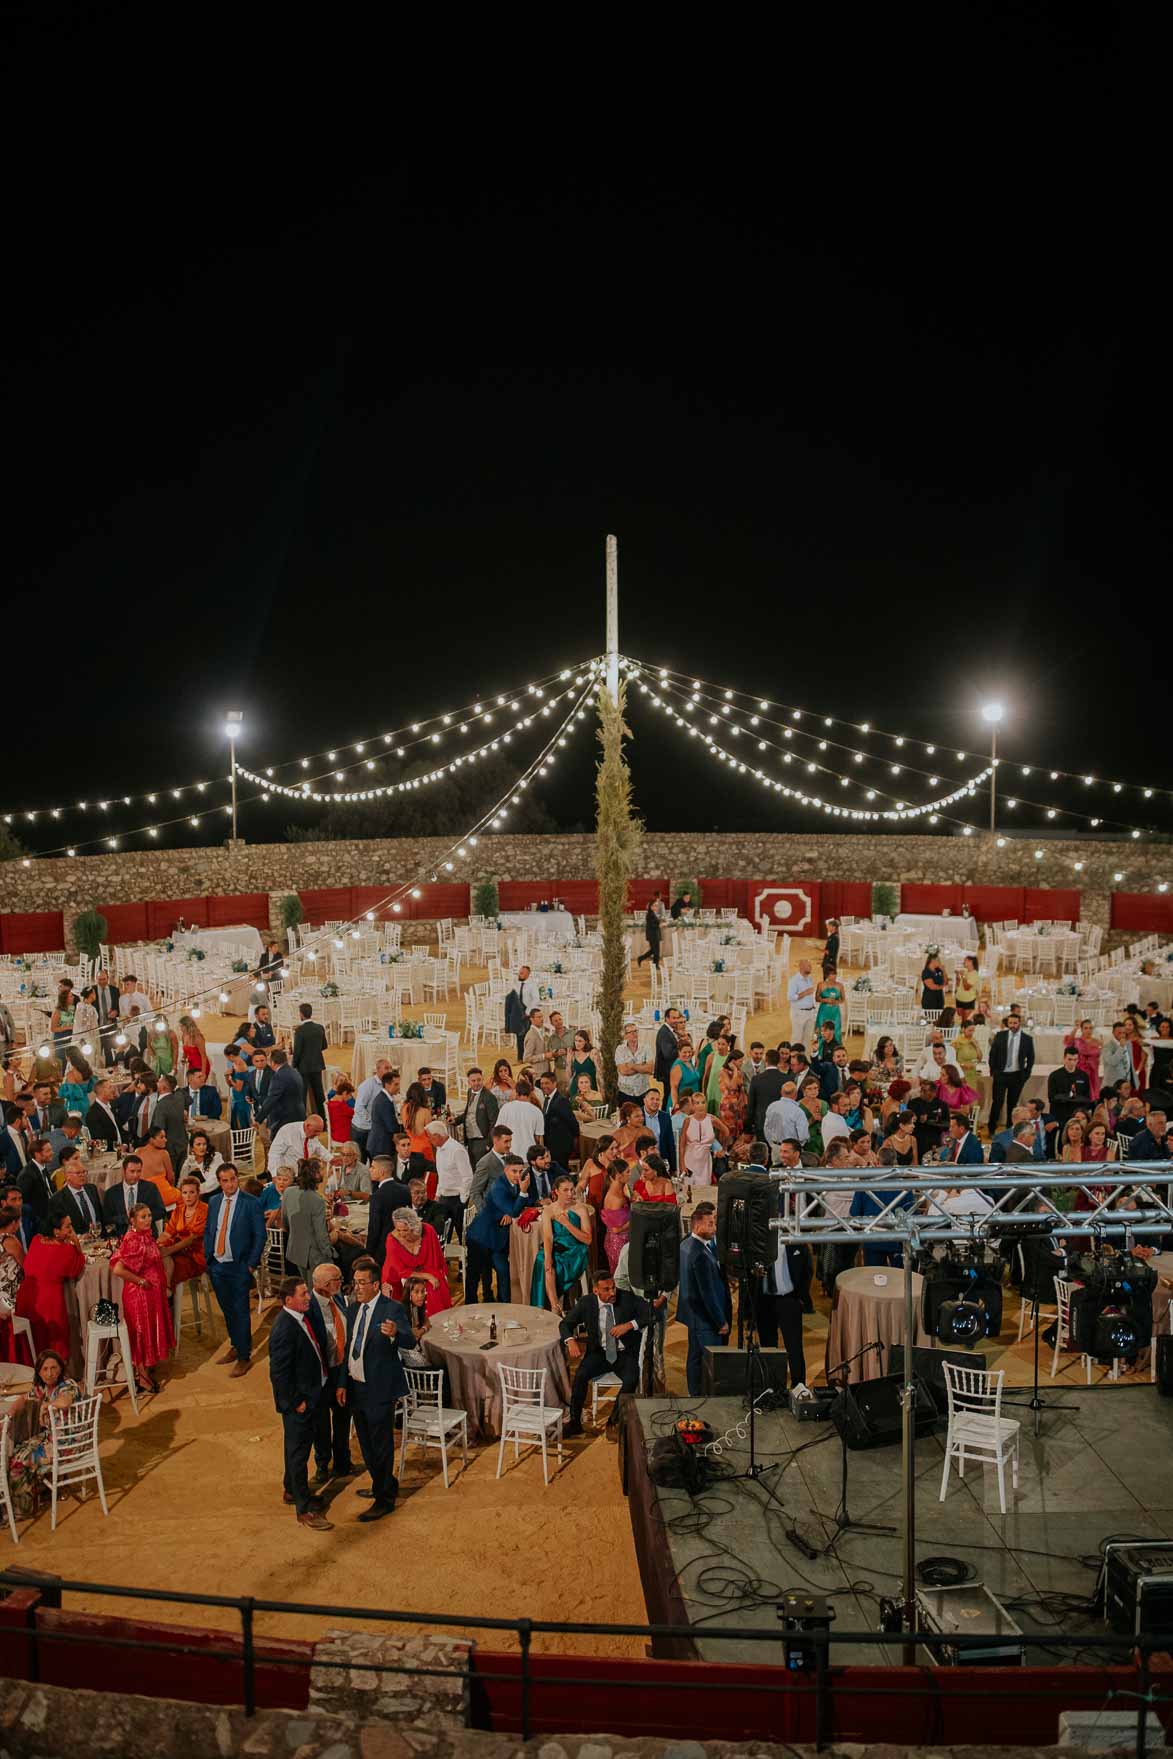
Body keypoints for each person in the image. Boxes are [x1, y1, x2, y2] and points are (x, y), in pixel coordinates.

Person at [338, 1256, 409, 1520]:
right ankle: (384, 1483)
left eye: (362, 1283)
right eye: (354, 1282)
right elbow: (348, 1350)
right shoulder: (354, 1309)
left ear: (376, 1285)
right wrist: (343, 1383)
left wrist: (394, 1334)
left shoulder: (392, 1309)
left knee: (381, 1445)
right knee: (366, 1444)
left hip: (380, 1389)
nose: (356, 1287)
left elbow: (410, 1340)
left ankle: (384, 1500)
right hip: (357, 1388)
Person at [268, 1275, 333, 1532]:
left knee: (295, 1450)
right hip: (300, 1403)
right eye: (303, 1294)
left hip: (311, 1397)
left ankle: (291, 1491)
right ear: (288, 1300)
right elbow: (279, 1374)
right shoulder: (284, 1328)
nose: (308, 1297)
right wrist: (297, 1403)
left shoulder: (299, 1317)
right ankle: (304, 1510)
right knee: (298, 1455)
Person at [744, 1143, 811, 1390]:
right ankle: (772, 1386)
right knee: (769, 1345)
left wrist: (801, 1297)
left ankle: (799, 1385)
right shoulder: (759, 1242)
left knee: (794, 1345)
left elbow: (806, 1270)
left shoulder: (795, 1242)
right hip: (764, 1300)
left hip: (788, 1299)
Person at [560, 1267, 651, 1435]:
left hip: (624, 1353)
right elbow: (565, 1324)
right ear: (596, 1291)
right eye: (606, 1289)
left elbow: (652, 1313)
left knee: (631, 1379)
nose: (612, 1292)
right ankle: (574, 1422)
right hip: (599, 1353)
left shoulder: (627, 1298)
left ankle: (613, 1422)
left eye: (613, 1287)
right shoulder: (587, 1303)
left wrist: (629, 1325)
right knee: (580, 1376)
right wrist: (570, 1340)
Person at [203, 1163, 265, 1377]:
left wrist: (250, 1264)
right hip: (217, 1265)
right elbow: (210, 1230)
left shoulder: (252, 1203)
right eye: (225, 1180)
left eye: (233, 1179)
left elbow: (260, 1236)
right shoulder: (214, 1201)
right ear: (219, 1182)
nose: (230, 1184)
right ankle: (237, 1344)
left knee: (240, 1311)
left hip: (240, 1266)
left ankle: (244, 1356)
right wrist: (208, 1258)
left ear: (237, 1178)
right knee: (227, 1309)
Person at [4, 1349, 79, 1512]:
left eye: (54, 1368)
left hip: (67, 1444)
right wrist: (11, 1412)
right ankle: (35, 1492)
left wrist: (47, 1405)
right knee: (17, 1449)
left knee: (18, 1461)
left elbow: (65, 1401)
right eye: (45, 1369)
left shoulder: (68, 1385)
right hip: (51, 1439)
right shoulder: (43, 1388)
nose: (50, 1373)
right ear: (39, 1372)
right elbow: (24, 1398)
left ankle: (22, 1509)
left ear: (61, 1368)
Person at [111, 1202, 174, 1393]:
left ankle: (145, 1370)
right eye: (142, 1217)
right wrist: (140, 1281)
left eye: (148, 1216)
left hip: (151, 1294)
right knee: (141, 1333)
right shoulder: (132, 1240)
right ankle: (142, 1378)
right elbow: (118, 1269)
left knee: (149, 1331)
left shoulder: (146, 1236)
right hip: (139, 1296)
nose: (147, 1220)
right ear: (132, 1220)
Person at [15, 1213, 85, 1357]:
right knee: (56, 1341)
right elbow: (75, 1270)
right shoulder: (65, 1250)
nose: (71, 1229)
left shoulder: (36, 1240)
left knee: (34, 1341)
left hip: (26, 1296)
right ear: (56, 1231)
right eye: (68, 1226)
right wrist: (77, 1244)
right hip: (49, 1301)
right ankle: (56, 1374)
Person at [464, 1154, 532, 1303]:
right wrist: (521, 1195)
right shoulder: (499, 1187)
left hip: (497, 1241)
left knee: (504, 1273)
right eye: (514, 1171)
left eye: (521, 1171)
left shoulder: (514, 1185)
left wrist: (511, 1209)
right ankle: (469, 1306)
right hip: (480, 1238)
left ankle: (504, 1305)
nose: (518, 1175)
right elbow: (514, 1211)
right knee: (474, 1277)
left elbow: (518, 1208)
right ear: (505, 1170)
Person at [309, 1261, 354, 1485]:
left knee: (343, 1417)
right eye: (337, 1280)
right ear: (325, 1285)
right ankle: (322, 1464)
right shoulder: (308, 1307)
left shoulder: (337, 1299)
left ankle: (342, 1462)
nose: (341, 1282)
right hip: (320, 1376)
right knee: (321, 1424)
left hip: (340, 1371)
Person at [677, 1203, 728, 1395]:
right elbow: (707, 1293)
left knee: (695, 1358)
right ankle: (706, 1397)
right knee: (709, 1363)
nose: (714, 1228)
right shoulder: (699, 1254)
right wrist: (720, 1321)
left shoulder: (685, 1244)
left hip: (693, 1317)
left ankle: (694, 1393)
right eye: (710, 1224)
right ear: (697, 1226)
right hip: (706, 1319)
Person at [532, 1172, 591, 1311]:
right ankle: (555, 1306)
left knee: (555, 1264)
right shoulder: (549, 1210)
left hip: (575, 1250)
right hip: (557, 1247)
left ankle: (557, 1307)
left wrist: (567, 1224)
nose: (570, 1193)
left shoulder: (580, 1209)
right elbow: (547, 1237)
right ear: (556, 1191)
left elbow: (587, 1239)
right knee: (542, 1260)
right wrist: (548, 1258)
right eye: (565, 1190)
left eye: (572, 1189)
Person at [380, 1207, 451, 1315]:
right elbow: (402, 1272)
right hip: (397, 1278)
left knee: (435, 1286)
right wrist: (428, 1276)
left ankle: (436, 1322)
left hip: (425, 1270)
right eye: (398, 1230)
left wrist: (439, 1276)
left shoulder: (428, 1230)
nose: (402, 1234)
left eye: (405, 1230)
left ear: (414, 1227)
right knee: (421, 1288)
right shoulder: (392, 1240)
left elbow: (439, 1259)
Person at [283, 1160, 335, 1285]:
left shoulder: (288, 1192)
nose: (327, 1172)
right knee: (318, 1294)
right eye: (323, 1169)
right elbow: (321, 1236)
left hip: (295, 1250)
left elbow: (285, 1222)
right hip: (314, 1255)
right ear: (316, 1175)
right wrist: (330, 1254)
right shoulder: (316, 1200)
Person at [987, 1010, 1035, 1134]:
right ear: (1007, 1024)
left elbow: (1031, 1058)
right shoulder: (1000, 1036)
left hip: (1017, 1075)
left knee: (1012, 1105)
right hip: (1001, 1075)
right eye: (1010, 1023)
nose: (1013, 1025)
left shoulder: (1027, 1039)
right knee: (997, 1102)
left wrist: (1026, 1074)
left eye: (1015, 1023)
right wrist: (994, 1071)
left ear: (1019, 1023)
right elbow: (993, 1054)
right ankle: (991, 1128)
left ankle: (1010, 1129)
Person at [158, 1172, 208, 1290]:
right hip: (179, 1250)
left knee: (169, 1267)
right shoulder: (178, 1210)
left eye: (192, 1192)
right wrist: (156, 1244)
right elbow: (167, 1233)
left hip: (196, 1256)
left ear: (198, 1193)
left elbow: (191, 1239)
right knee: (155, 1261)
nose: (188, 1196)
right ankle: (165, 1296)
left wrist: (168, 1251)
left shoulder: (204, 1210)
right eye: (185, 1193)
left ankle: (169, 1296)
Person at [102, 1155, 167, 1237]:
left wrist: (143, 1218)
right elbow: (107, 1218)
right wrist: (125, 1219)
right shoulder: (111, 1193)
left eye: (139, 1171)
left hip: (147, 1237)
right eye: (132, 1171)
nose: (136, 1175)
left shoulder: (150, 1188)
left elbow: (161, 1211)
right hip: (122, 1237)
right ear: (124, 1171)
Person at [429, 1119, 472, 1240]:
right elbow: (441, 1175)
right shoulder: (439, 1149)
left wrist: (462, 1199)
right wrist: (438, 1194)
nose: (429, 1141)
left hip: (457, 1198)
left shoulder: (457, 1150)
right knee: (442, 1233)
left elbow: (467, 1176)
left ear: (437, 1136)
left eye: (431, 1138)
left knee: (461, 1233)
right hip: (444, 1197)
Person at [48, 1154, 106, 1237]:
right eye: (78, 1173)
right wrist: (79, 1237)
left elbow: (101, 1217)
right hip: (77, 1242)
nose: (82, 1175)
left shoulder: (92, 1189)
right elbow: (59, 1230)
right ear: (67, 1176)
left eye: (84, 1172)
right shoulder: (58, 1199)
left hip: (99, 1239)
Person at [291, 1003, 329, 1119]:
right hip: (317, 1064)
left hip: (303, 1067)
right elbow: (324, 1046)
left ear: (301, 1014)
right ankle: (323, 1119)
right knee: (319, 1094)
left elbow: (297, 1051)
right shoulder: (319, 1028)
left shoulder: (300, 1030)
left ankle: (301, 1119)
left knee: (302, 1095)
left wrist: (293, 1065)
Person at [457, 1066, 498, 1170]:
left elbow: (494, 1122)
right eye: (473, 1081)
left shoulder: (489, 1097)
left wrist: (489, 1143)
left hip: (482, 1141)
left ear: (482, 1079)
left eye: (479, 1080)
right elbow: (469, 1113)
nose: (476, 1083)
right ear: (469, 1082)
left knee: (482, 1171)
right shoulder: (470, 1092)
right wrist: (456, 1120)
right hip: (470, 1140)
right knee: (473, 1169)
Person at [256, 1048, 306, 1135]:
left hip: (284, 1119)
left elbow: (271, 1099)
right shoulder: (295, 1071)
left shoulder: (279, 1076)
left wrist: (258, 1119)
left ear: (273, 1062)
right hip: (299, 1114)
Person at [1048, 1046, 1093, 1133]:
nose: (1072, 1062)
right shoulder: (1055, 1076)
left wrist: (1066, 1098)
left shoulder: (1083, 1076)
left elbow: (1087, 1098)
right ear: (1064, 1059)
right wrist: (1073, 1098)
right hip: (1059, 1117)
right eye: (1069, 1059)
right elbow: (1052, 1098)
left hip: (1077, 1118)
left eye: (1075, 1059)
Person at [495, 1079, 544, 1159]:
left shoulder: (506, 1108)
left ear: (516, 1092)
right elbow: (539, 1139)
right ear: (530, 1093)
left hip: (509, 1154)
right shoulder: (537, 1111)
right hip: (529, 1156)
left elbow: (497, 1132)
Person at [537, 1070, 577, 1167]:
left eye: (547, 1083)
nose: (543, 1086)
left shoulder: (561, 1101)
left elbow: (573, 1124)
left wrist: (570, 1144)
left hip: (561, 1148)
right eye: (542, 1083)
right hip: (551, 1147)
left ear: (554, 1083)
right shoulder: (547, 1099)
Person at [137, 1124, 182, 1207]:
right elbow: (171, 1177)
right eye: (161, 1137)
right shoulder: (163, 1154)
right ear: (151, 1140)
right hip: (162, 1194)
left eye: (165, 1137)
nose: (166, 1140)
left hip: (144, 1196)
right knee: (184, 1198)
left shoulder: (138, 1151)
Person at [366, 1067, 402, 1161]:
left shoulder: (384, 1098)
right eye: (396, 1084)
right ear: (387, 1085)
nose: (398, 1087)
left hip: (379, 1144)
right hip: (380, 1146)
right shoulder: (384, 1101)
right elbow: (392, 1127)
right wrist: (404, 1127)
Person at [504, 966, 539, 1060]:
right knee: (519, 1036)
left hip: (527, 1014)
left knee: (527, 1037)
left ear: (528, 974)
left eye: (522, 973)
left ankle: (527, 1057)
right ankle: (520, 1058)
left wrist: (528, 1012)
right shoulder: (516, 983)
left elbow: (536, 1000)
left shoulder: (532, 985)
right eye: (520, 973)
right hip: (518, 1014)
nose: (520, 974)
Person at [615, 1022, 653, 1105]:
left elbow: (650, 1069)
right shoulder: (620, 1049)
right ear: (625, 1036)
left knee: (642, 1117)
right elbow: (624, 1071)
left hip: (643, 1091)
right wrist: (642, 1067)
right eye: (631, 1032)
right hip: (625, 1092)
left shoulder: (646, 1048)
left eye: (635, 1031)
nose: (634, 1034)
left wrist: (631, 1065)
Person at [1064, 1020, 1103, 1102]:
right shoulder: (1077, 1041)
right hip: (1079, 1071)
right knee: (1078, 1096)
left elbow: (1098, 1056)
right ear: (1081, 1029)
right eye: (1086, 1028)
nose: (1088, 1030)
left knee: (1092, 1099)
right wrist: (1075, 1029)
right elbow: (1068, 1043)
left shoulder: (1097, 1042)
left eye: (1090, 1028)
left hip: (1093, 1071)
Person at [180, 1127, 224, 1197]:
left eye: (204, 1144)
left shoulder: (216, 1157)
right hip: (196, 1193)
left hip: (215, 1193)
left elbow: (214, 1181)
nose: (202, 1147)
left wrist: (195, 1190)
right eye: (198, 1144)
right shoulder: (190, 1161)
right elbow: (182, 1180)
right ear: (192, 1148)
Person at [642, 1086, 676, 1172]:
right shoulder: (638, 1115)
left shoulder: (665, 1117)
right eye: (652, 1099)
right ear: (645, 1100)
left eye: (657, 1099)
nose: (655, 1102)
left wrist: (673, 1168)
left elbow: (670, 1143)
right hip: (642, 1161)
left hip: (661, 1161)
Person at [787, 960, 818, 1048]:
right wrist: (805, 992)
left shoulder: (809, 978)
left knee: (808, 1039)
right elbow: (790, 997)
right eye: (808, 965)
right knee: (796, 1038)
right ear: (801, 967)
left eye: (810, 965)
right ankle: (793, 1059)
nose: (810, 967)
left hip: (810, 1012)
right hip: (799, 1013)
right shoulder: (794, 980)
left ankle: (805, 1060)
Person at [652, 1009, 681, 1095]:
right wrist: (682, 1048)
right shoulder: (665, 1033)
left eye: (677, 1018)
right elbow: (668, 1054)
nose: (676, 1020)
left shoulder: (669, 1030)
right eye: (674, 1018)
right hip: (667, 1071)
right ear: (667, 1019)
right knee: (669, 1095)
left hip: (669, 1070)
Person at [669, 1036, 701, 1110]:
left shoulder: (689, 1062)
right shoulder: (677, 1066)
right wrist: (675, 1104)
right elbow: (674, 1087)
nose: (687, 1054)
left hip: (692, 1101)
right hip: (682, 1103)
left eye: (689, 1052)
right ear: (679, 1052)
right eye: (684, 1052)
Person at [637, 890, 664, 967]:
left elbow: (656, 923)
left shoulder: (653, 914)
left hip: (654, 934)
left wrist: (660, 923)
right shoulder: (650, 914)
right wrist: (661, 925)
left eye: (656, 905)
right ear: (651, 906)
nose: (656, 906)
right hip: (653, 934)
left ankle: (641, 958)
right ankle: (656, 965)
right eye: (655, 905)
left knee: (653, 950)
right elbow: (653, 925)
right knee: (656, 951)